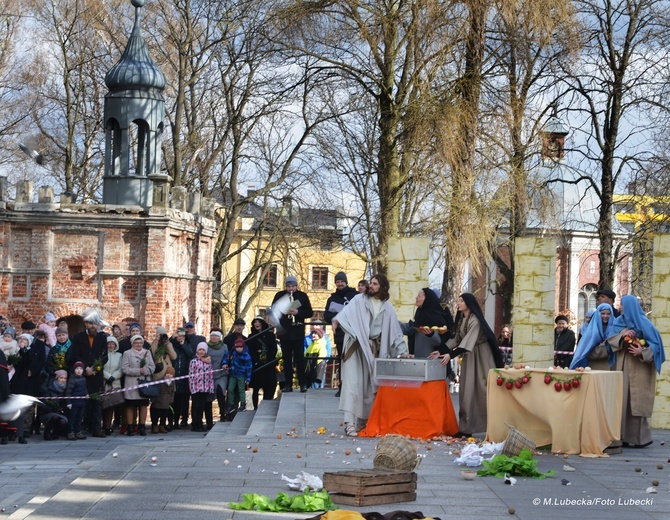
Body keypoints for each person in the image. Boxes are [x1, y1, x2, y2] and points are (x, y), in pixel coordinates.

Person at [332, 273, 409, 437]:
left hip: (371, 348)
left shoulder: (387, 308)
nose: (371, 286)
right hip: (354, 345)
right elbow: (343, 316)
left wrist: (403, 352)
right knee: (352, 383)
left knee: (369, 385)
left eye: (375, 284)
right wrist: (348, 328)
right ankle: (349, 423)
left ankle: (363, 421)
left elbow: (395, 332)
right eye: (371, 283)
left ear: (382, 287)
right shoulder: (358, 300)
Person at [430, 293, 504, 437]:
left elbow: (467, 342)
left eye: (461, 301)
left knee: (482, 391)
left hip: (482, 358)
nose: (458, 303)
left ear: (468, 304)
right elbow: (457, 339)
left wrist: (450, 355)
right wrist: (440, 351)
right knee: (467, 391)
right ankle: (466, 428)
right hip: (470, 357)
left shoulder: (475, 320)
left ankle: (493, 426)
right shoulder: (463, 320)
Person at [609, 295, 665, 448]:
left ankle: (640, 439)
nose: (621, 308)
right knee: (622, 402)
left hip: (639, 370)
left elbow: (657, 347)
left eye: (624, 306)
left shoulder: (646, 324)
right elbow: (611, 339)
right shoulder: (619, 323)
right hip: (621, 367)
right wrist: (624, 336)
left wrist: (643, 351)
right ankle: (622, 436)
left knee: (637, 402)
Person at [67, 309, 108, 438]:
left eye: (96, 324)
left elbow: (104, 356)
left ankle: (96, 428)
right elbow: (76, 355)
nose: (93, 326)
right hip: (82, 376)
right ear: (86, 323)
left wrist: (94, 368)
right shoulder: (78, 337)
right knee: (81, 403)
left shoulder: (102, 337)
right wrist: (85, 368)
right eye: (91, 324)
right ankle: (78, 428)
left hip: (96, 375)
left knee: (96, 402)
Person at [272, 276, 313, 393]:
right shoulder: (280, 296)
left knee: (300, 359)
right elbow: (274, 311)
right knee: (286, 359)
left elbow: (309, 312)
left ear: (296, 286)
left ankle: (302, 383)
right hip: (284, 332)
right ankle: (288, 384)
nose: (291, 289)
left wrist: (298, 312)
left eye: (293, 286)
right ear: (285, 286)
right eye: (289, 286)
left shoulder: (302, 296)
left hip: (298, 332)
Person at [324, 272, 358, 396]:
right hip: (340, 335)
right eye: (337, 282)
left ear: (346, 282)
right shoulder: (332, 299)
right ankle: (342, 387)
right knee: (342, 360)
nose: (340, 283)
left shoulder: (355, 295)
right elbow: (326, 316)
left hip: (354, 334)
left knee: (355, 361)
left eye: (342, 281)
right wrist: (338, 317)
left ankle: (355, 387)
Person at [121, 335, 155, 436]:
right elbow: (124, 368)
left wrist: (146, 371)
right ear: (132, 344)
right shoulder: (127, 353)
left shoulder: (147, 353)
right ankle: (130, 426)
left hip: (143, 383)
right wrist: (137, 371)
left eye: (140, 343)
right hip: (131, 383)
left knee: (143, 405)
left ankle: (142, 426)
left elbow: (152, 366)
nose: (138, 345)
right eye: (136, 343)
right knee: (130, 405)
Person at [405, 288, 452, 358]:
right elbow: (415, 328)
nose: (416, 298)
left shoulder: (435, 315)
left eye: (419, 296)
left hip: (436, 357)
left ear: (427, 299)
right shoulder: (420, 312)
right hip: (421, 356)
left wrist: (431, 334)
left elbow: (442, 339)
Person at [570, 303, 615, 371]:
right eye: (603, 313)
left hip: (610, 364)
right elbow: (584, 348)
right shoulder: (592, 329)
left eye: (608, 314)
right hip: (593, 365)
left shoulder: (615, 327)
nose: (605, 316)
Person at [247, 316, 278, 410]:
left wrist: (269, 360)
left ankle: (266, 406)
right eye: (255, 322)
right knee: (256, 387)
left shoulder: (270, 335)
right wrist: (256, 358)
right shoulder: (251, 336)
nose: (257, 324)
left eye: (258, 322)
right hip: (257, 364)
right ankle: (255, 407)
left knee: (268, 386)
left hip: (268, 364)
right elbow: (250, 350)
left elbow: (273, 348)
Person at [170, 328, 193, 429]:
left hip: (184, 377)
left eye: (182, 336)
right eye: (179, 336)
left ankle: (184, 420)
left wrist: (183, 344)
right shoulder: (172, 346)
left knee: (184, 401)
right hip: (174, 377)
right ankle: (173, 421)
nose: (180, 338)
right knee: (174, 401)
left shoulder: (187, 345)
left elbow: (190, 354)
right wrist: (172, 337)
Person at [188, 342, 214, 432]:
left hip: (205, 388)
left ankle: (200, 423)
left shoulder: (208, 362)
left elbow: (210, 376)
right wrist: (192, 388)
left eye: (203, 350)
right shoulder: (194, 361)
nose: (201, 351)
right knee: (195, 406)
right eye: (200, 350)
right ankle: (195, 424)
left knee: (202, 406)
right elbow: (191, 376)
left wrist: (211, 387)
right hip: (196, 388)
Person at [102, 336, 123, 436]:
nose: (110, 345)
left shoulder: (119, 355)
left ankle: (112, 425)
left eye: (112, 344)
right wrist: (107, 376)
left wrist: (113, 377)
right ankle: (105, 425)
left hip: (115, 382)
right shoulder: (102, 354)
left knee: (114, 405)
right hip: (105, 382)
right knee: (105, 406)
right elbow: (99, 367)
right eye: (109, 344)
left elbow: (121, 368)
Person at [207, 329, 229, 422]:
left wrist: (225, 363)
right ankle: (209, 419)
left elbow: (227, 357)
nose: (214, 337)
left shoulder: (224, 346)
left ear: (219, 337)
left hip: (221, 374)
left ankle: (222, 414)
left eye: (216, 336)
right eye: (212, 336)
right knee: (209, 397)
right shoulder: (206, 346)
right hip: (209, 375)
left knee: (220, 392)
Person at [226, 338, 252, 415]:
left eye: (240, 347)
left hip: (241, 375)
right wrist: (225, 363)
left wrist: (248, 378)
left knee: (241, 389)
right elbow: (226, 358)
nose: (239, 349)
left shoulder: (246, 355)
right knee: (230, 389)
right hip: (233, 374)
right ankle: (231, 404)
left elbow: (249, 367)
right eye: (237, 347)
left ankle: (243, 404)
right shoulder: (232, 354)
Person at [65, 361, 89, 440]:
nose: (79, 370)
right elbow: (68, 392)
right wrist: (68, 403)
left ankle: (78, 431)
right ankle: (70, 432)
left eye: (81, 369)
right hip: (74, 403)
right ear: (74, 370)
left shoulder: (83, 379)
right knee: (72, 418)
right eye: (77, 369)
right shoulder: (72, 380)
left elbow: (84, 388)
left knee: (79, 418)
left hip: (81, 403)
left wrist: (86, 394)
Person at [151, 366, 176, 434]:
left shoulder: (173, 382)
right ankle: (154, 426)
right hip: (159, 400)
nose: (169, 375)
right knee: (156, 414)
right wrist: (153, 400)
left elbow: (172, 392)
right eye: (168, 373)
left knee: (164, 415)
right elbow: (155, 390)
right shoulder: (160, 381)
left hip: (166, 402)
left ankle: (162, 425)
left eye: (171, 374)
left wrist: (171, 400)